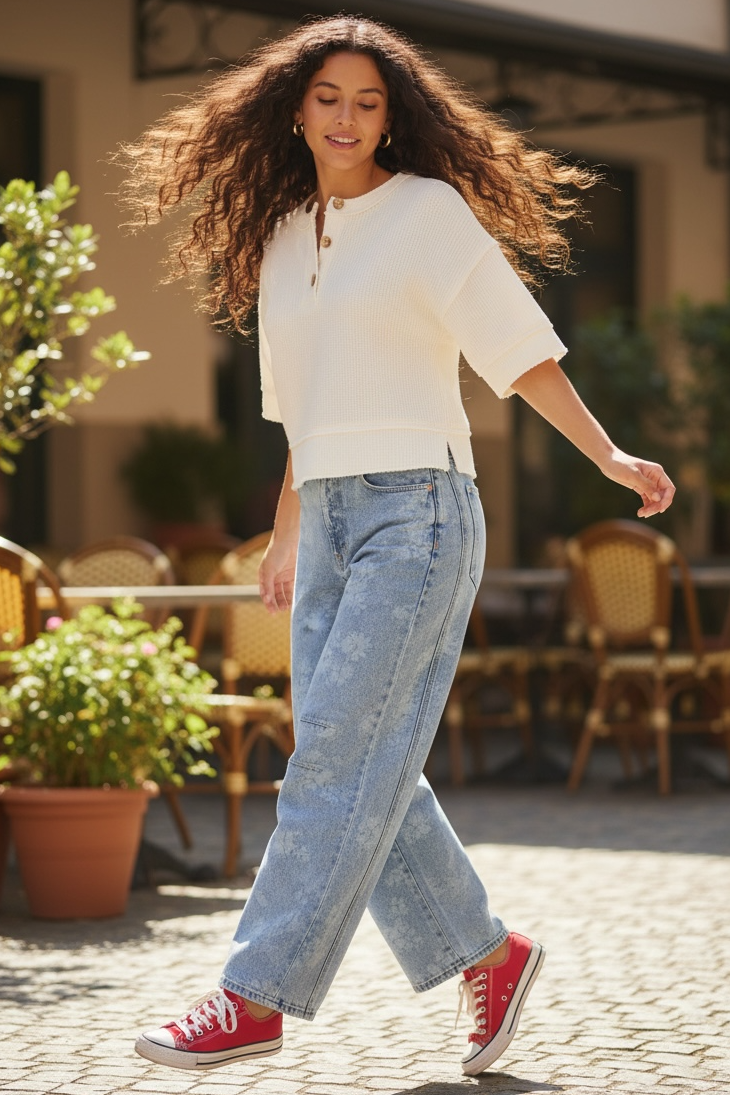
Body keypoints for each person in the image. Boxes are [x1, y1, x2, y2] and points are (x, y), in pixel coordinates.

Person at [120, 14, 675, 1077]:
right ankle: (488, 955)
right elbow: (301, 411)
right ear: (294, 109)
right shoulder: (282, 238)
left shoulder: (427, 213)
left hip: (417, 515)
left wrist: (607, 456)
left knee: (333, 756)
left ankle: (254, 994)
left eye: (368, 102)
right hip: (326, 517)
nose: (346, 117)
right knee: (363, 762)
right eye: (328, 97)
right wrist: (287, 533)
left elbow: (518, 353)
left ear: (392, 120)